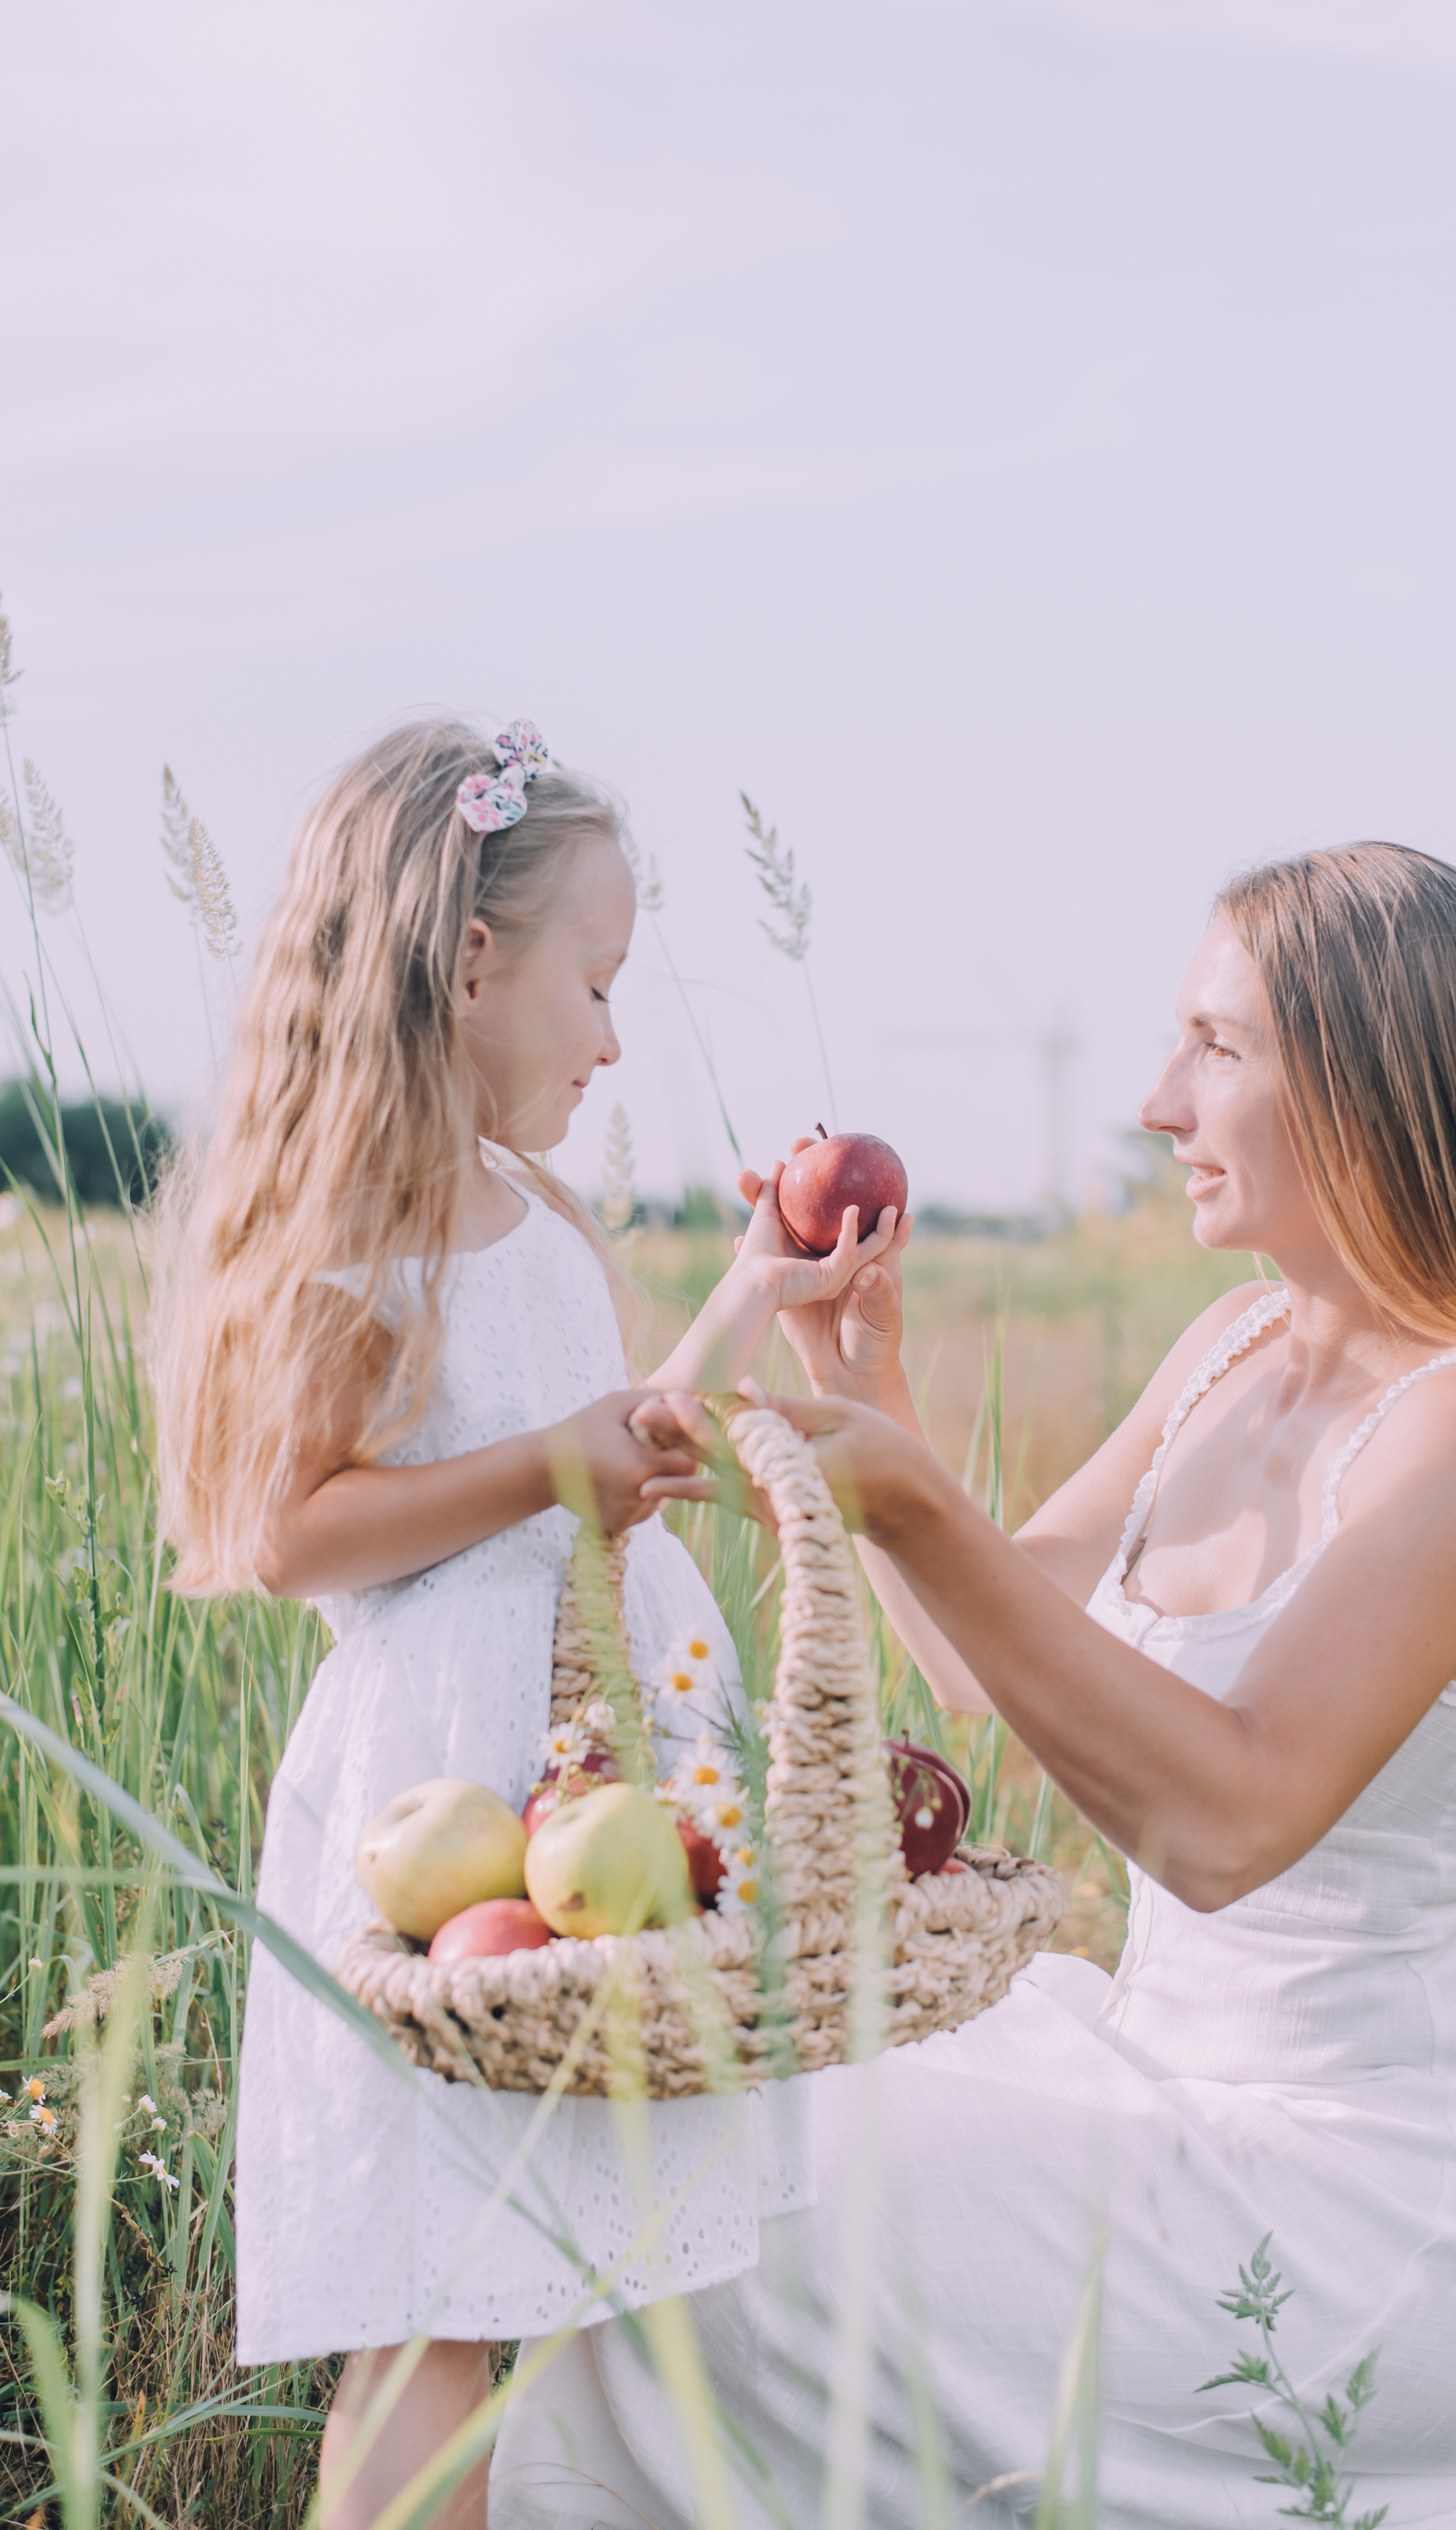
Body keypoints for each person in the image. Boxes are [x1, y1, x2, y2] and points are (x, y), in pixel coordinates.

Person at [497, 844, 1456, 2529]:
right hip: (1151, 2080)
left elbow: (1226, 1821)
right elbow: (984, 1661)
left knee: (749, 2211)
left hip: (1347, 2207)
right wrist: (869, 1388)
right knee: (704, 2136)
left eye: (1212, 1047)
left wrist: (897, 1490)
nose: (1150, 1102)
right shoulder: (1229, 1348)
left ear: (1364, 1083)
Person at [150, 718, 902, 2530]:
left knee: (536, 2277)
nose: (616, 1034)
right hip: (449, 1821)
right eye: (599, 979)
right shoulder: (355, 1222)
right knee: (431, 2318)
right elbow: (290, 1534)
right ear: (472, 962)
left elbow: (600, 1435)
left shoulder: (531, 1201)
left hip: (584, 1807)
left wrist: (742, 1303)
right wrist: (537, 1469)